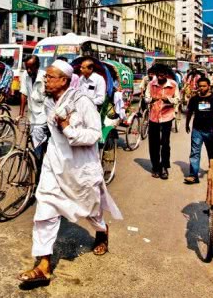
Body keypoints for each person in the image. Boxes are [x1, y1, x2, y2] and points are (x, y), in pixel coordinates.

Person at [18, 60, 122, 286]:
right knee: (44, 210)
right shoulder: (48, 101)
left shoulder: (82, 101)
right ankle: (43, 266)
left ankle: (102, 232)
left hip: (80, 168)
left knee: (91, 209)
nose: (45, 80)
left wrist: (68, 128)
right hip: (54, 165)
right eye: (46, 77)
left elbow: (95, 134)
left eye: (50, 77)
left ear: (64, 80)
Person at [145, 64, 180, 180]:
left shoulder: (173, 85)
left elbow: (178, 99)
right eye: (158, 75)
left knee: (165, 143)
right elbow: (146, 98)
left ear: (166, 75)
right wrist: (152, 99)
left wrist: (168, 99)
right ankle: (155, 167)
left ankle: (164, 167)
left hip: (167, 117)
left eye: (163, 75)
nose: (160, 77)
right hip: (153, 117)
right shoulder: (151, 84)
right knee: (153, 144)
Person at [184, 77, 213, 184]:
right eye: (200, 86)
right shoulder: (194, 99)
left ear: (209, 86)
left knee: (212, 152)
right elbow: (189, 112)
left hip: (211, 130)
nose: (202, 88)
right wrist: (187, 124)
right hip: (197, 130)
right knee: (195, 152)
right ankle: (193, 175)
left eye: (204, 86)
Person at [18, 55, 48, 148]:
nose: (29, 70)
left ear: (38, 66)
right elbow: (23, 93)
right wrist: (21, 114)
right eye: (27, 68)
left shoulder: (44, 76)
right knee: (31, 135)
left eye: (31, 68)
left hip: (44, 110)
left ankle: (39, 160)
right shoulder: (25, 75)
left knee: (37, 133)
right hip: (32, 111)